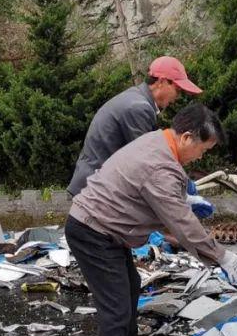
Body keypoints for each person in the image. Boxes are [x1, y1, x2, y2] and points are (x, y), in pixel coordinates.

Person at [66, 102, 237, 336]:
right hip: (93, 231)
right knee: (116, 306)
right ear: (187, 137)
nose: (202, 156)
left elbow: (165, 197)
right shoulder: (161, 166)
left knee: (131, 285)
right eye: (203, 148)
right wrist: (222, 256)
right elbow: (182, 225)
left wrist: (184, 197)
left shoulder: (157, 141)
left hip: (103, 228)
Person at [67, 56, 211, 223]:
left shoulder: (136, 100)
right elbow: (147, 164)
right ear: (162, 82)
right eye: (177, 90)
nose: (177, 97)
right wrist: (180, 192)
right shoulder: (138, 108)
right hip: (96, 193)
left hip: (96, 187)